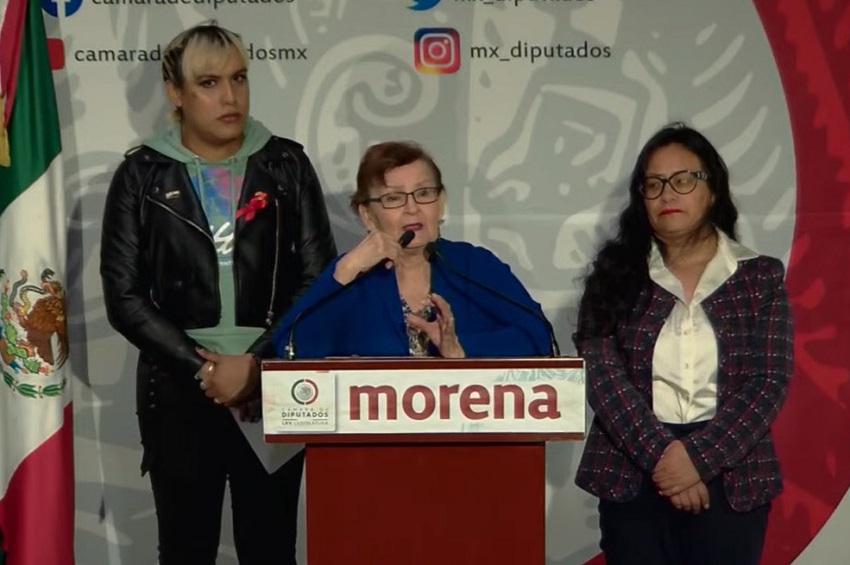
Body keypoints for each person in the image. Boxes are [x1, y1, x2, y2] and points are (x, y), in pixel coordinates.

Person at [100, 22, 337, 565]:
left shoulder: (286, 164)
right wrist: (205, 369)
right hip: (180, 389)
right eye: (209, 83)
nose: (230, 96)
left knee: (271, 549)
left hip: (273, 387)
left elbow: (318, 281)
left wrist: (255, 367)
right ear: (175, 92)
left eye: (239, 78)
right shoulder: (141, 173)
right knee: (185, 550)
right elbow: (124, 297)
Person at [573, 123, 793, 565]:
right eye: (654, 184)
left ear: (713, 190)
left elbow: (768, 381)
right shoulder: (613, 275)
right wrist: (665, 457)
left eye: (683, 180)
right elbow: (603, 376)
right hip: (634, 471)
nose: (667, 194)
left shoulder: (759, 276)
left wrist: (697, 460)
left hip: (732, 474)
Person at [271, 140, 552, 360]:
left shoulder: (473, 265)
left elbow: (539, 337)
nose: (412, 208)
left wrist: (459, 348)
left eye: (424, 193)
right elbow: (291, 349)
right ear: (367, 215)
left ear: (440, 203)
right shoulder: (351, 278)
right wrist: (346, 269)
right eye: (394, 198)